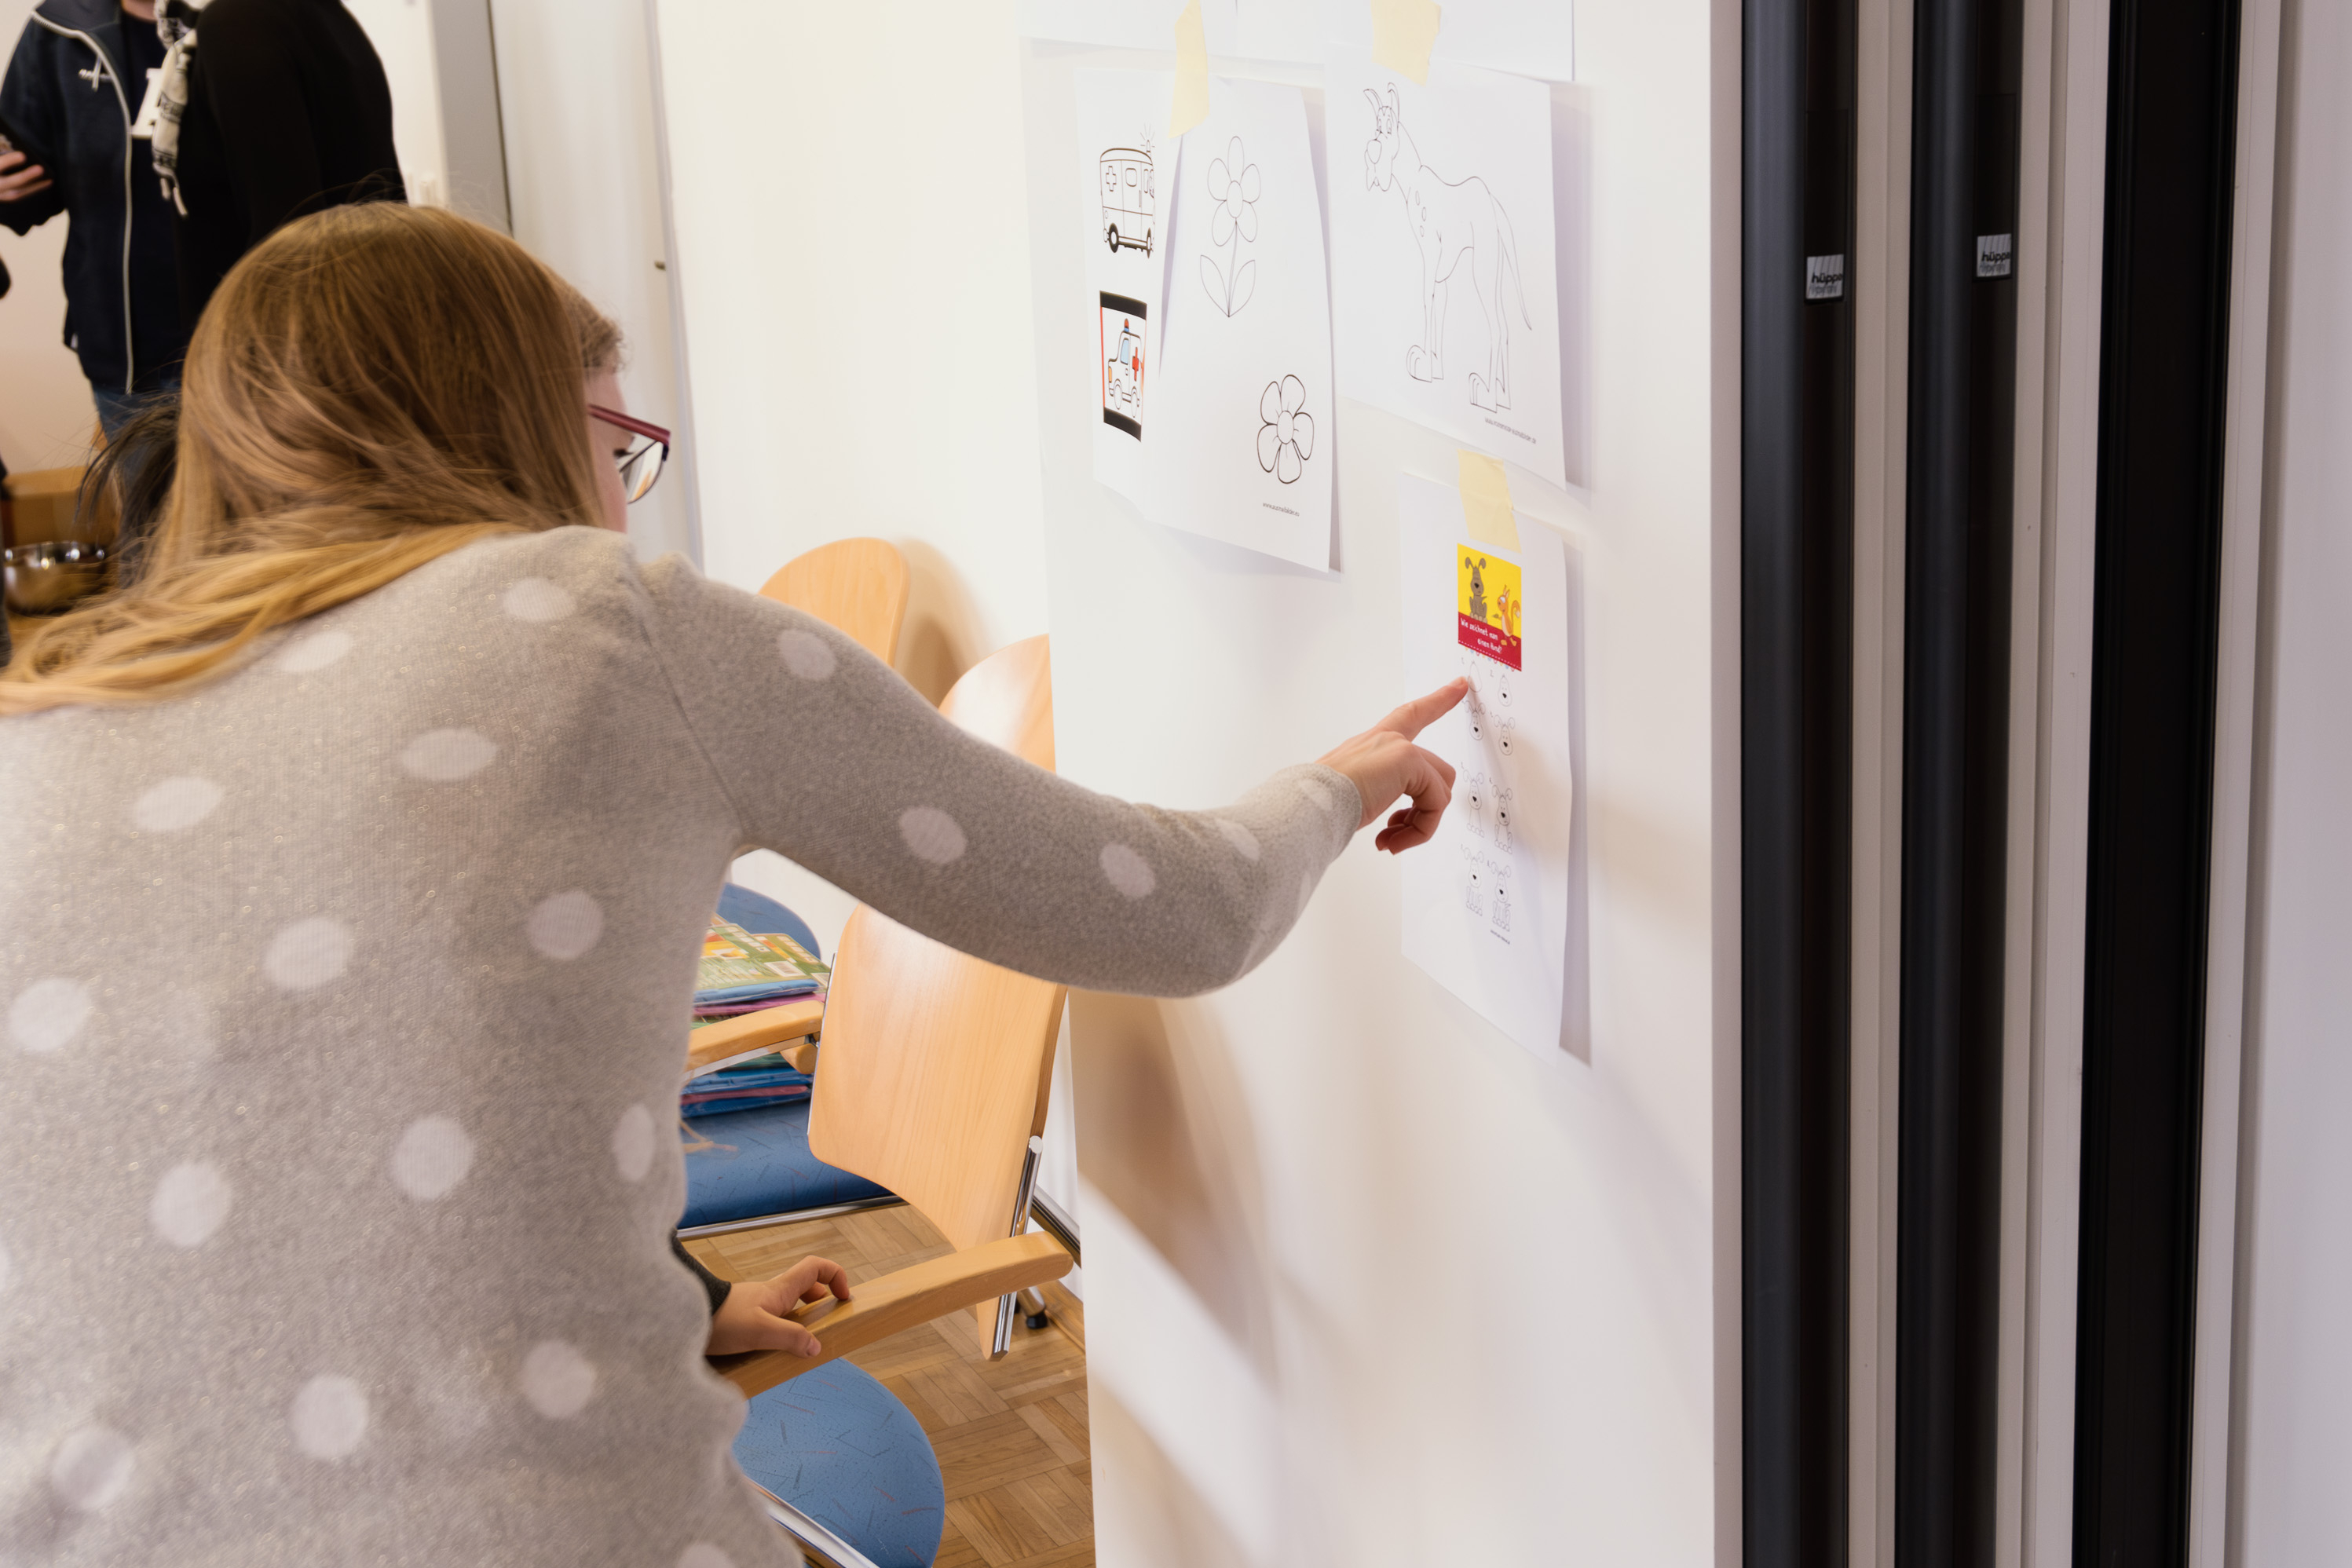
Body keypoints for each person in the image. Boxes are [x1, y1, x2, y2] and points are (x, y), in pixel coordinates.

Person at [0, 203, 1461, 1564]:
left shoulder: (42, 730)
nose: (623, 496)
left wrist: (673, 1305)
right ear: (518, 428)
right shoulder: (610, 627)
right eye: (616, 438)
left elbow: (292, 1138)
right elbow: (1177, 912)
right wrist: (1341, 783)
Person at [0, 0, 192, 435]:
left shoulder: (244, 24)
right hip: (128, 351)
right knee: (150, 503)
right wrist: (8, 188)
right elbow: (28, 187)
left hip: (247, 339)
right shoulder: (59, 30)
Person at [160, 0, 402, 319]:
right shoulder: (324, 13)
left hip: (286, 339)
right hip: (370, 305)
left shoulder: (238, 23)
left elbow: (287, 241)